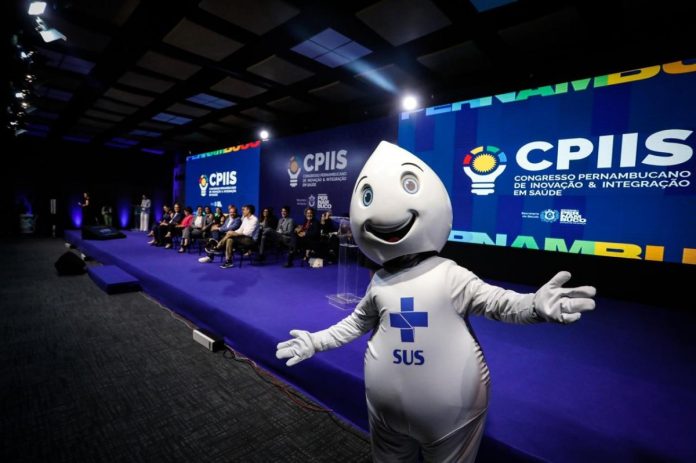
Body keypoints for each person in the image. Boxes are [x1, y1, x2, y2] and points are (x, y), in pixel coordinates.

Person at [276, 141, 596, 463]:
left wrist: (534, 306)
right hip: (387, 418)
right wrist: (316, 341)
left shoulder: (450, 275)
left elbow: (499, 303)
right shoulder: (380, 280)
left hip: (453, 417)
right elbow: (357, 322)